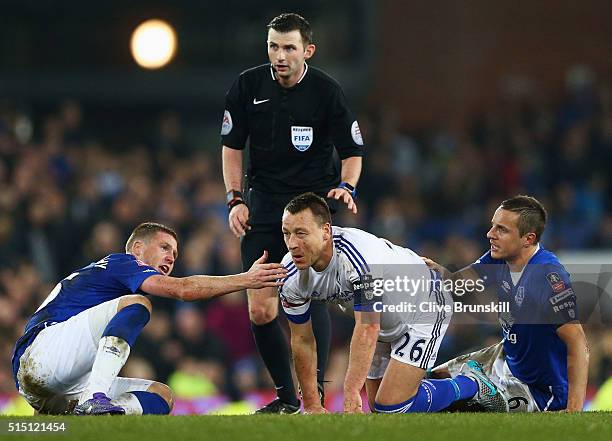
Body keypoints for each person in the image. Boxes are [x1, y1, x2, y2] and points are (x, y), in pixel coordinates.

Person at [220, 13, 364, 413]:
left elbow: (352, 152)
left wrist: (346, 187)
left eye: (288, 47)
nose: (279, 56)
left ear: (308, 51)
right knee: (261, 308)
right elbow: (232, 146)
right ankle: (286, 398)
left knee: (308, 295)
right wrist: (235, 198)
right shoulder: (247, 86)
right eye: (273, 46)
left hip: (310, 207)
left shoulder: (326, 91)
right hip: (264, 207)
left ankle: (313, 398)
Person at [11, 222, 287, 415]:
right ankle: (95, 399)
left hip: (55, 382)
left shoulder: (105, 280)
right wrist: (245, 279)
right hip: (43, 353)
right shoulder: (124, 262)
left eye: (175, 254)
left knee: (162, 396)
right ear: (138, 249)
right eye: (165, 247)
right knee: (138, 303)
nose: (171, 257)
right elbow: (183, 289)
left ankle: (99, 413)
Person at [279, 193, 506, 414]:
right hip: (383, 321)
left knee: (392, 406)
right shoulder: (290, 276)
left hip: (423, 304)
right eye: (286, 233)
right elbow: (301, 340)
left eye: (301, 233)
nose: (292, 244)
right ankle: (445, 400)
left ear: (326, 231)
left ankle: (471, 384)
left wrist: (350, 391)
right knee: (379, 408)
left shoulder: (358, 259)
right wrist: (311, 405)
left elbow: (367, 327)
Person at [424, 195, 590, 412]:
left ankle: (480, 389)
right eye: (493, 226)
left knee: (461, 404)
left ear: (528, 239)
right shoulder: (499, 258)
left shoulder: (547, 276)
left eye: (501, 229)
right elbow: (457, 285)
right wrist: (437, 272)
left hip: (539, 388)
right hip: (506, 356)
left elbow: (578, 344)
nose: (490, 234)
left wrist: (573, 410)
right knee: (433, 376)